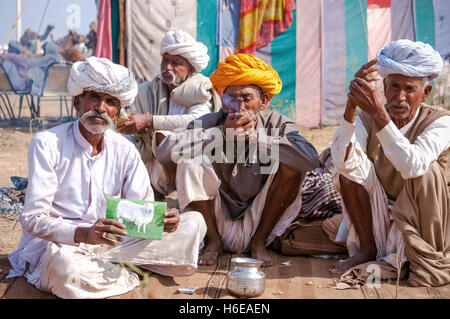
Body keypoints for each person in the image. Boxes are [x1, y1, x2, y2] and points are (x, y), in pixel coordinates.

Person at [6, 57, 206, 299]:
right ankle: (123, 273)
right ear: (77, 102)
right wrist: (83, 234)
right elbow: (33, 219)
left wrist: (160, 221)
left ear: (117, 111)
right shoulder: (47, 143)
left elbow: (139, 211)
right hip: (62, 246)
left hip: (114, 243)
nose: (101, 108)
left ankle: (106, 269)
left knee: (194, 222)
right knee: (67, 269)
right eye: (94, 97)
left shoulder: (125, 150)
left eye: (110, 102)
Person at [156, 53, 320, 267]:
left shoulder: (277, 123)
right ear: (223, 100)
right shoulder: (211, 122)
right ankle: (213, 241)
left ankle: (259, 242)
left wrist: (259, 139)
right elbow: (163, 153)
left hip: (259, 218)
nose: (238, 106)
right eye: (231, 98)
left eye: (246, 98)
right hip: (214, 218)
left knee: (293, 165)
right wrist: (220, 133)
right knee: (189, 159)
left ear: (264, 101)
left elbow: (310, 160)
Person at [329, 39, 450, 287]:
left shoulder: (441, 122)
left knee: (428, 170)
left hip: (424, 219)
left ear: (425, 93)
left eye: (410, 88)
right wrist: (351, 107)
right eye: (394, 86)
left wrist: (379, 115)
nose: (400, 97)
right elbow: (341, 162)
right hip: (380, 214)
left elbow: (412, 166)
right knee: (350, 169)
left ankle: (415, 257)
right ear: (384, 86)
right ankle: (366, 249)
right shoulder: (366, 117)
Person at [117, 29, 221, 196]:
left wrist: (150, 121)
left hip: (189, 162)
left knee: (167, 138)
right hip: (149, 160)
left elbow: (198, 121)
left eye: (176, 63)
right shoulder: (149, 90)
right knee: (115, 142)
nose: (167, 67)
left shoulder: (200, 89)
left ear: (191, 67)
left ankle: (178, 193)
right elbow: (126, 114)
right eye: (165, 61)